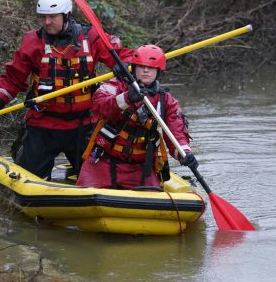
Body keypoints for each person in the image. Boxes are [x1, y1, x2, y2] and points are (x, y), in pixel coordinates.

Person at [0, 0, 133, 179]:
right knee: (30, 175)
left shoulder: (91, 37)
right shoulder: (32, 43)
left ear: (66, 15)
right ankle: (25, 155)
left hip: (84, 124)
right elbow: (13, 78)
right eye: (43, 17)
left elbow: (124, 55)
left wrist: (124, 65)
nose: (46, 22)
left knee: (99, 177)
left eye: (52, 17)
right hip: (44, 123)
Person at [76, 44, 198, 189]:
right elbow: (99, 106)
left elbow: (176, 133)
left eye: (151, 67)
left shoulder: (166, 101)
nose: (146, 70)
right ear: (134, 68)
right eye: (141, 66)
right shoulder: (116, 86)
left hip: (140, 168)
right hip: (103, 162)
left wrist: (184, 154)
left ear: (158, 71)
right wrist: (126, 98)